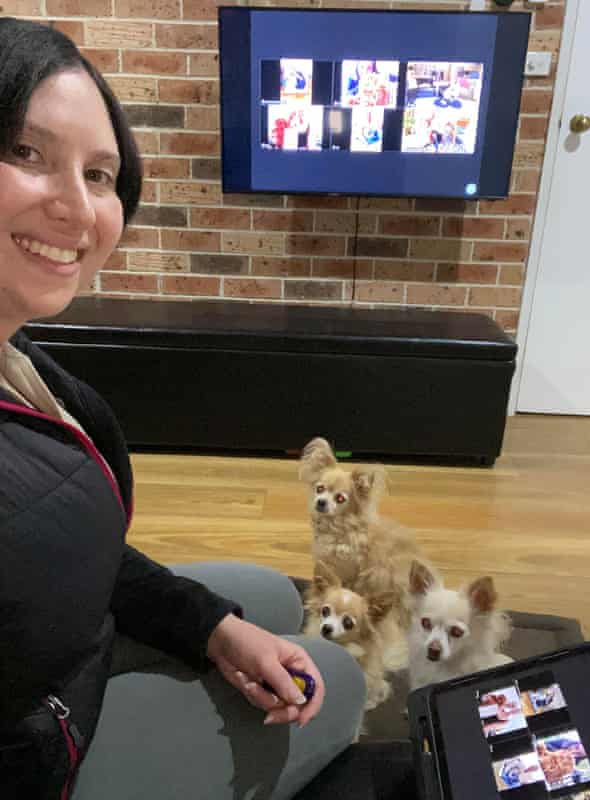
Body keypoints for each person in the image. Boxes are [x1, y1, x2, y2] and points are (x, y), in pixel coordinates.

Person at [0, 17, 368, 799]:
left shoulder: (21, 366)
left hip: (65, 646)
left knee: (263, 596)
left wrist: (212, 627)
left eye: (100, 175)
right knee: (338, 676)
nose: (77, 207)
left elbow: (55, 547)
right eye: (26, 153)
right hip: (44, 751)